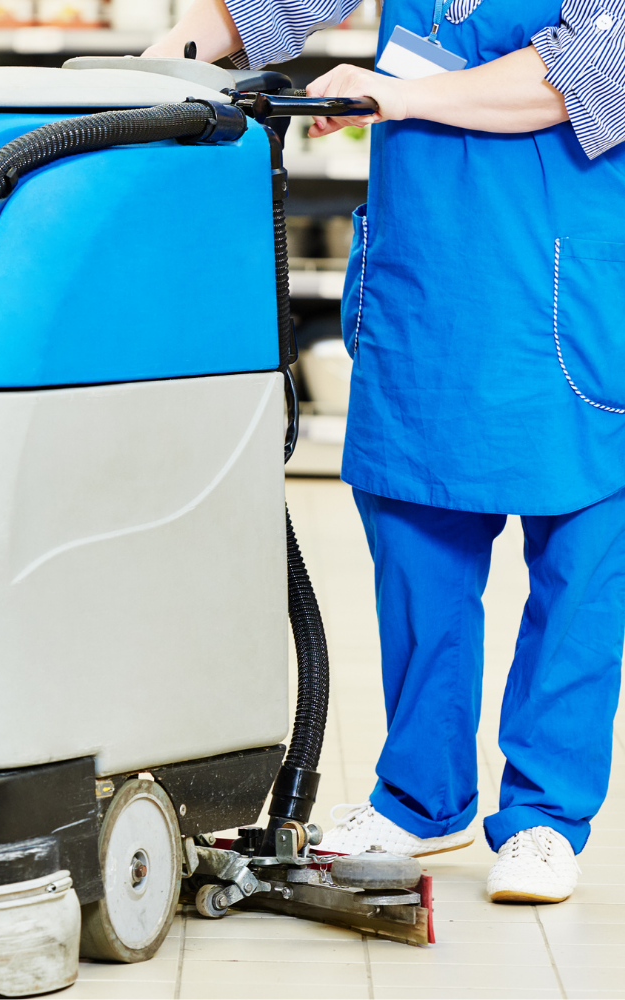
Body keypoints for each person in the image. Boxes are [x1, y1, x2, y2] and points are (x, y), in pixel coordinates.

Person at [146, 0, 625, 904]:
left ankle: (545, 817)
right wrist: (147, 72)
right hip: (427, 277)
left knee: (581, 570)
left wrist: (401, 95)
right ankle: (420, 798)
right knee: (416, 552)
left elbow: (590, 78)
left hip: (563, 281)